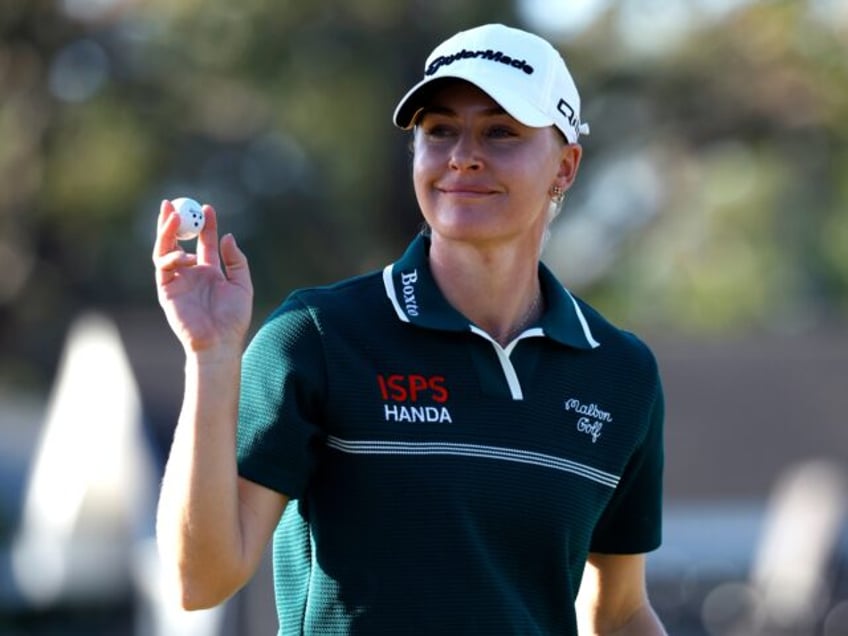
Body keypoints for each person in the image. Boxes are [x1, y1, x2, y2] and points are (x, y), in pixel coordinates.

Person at [153, 23, 668, 636]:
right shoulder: (316, 337)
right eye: (440, 130)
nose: (463, 155)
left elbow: (620, 611)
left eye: (500, 131)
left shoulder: (620, 373)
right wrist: (210, 358)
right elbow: (199, 581)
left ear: (566, 165)